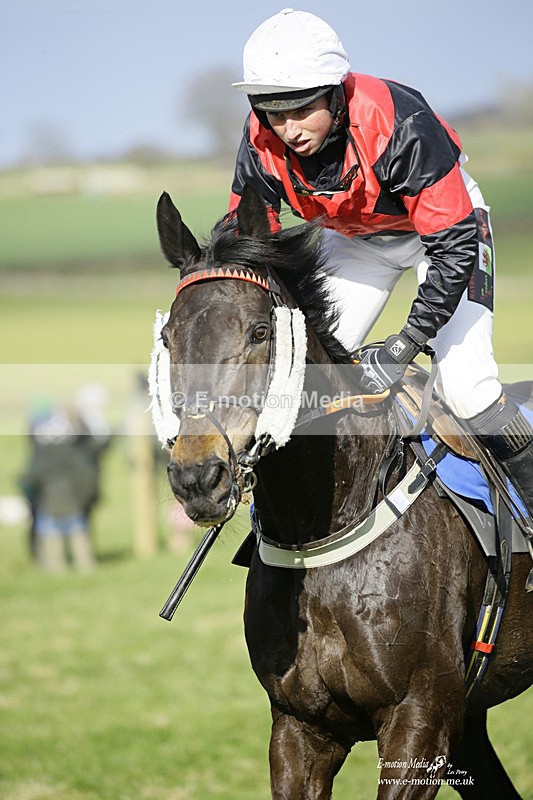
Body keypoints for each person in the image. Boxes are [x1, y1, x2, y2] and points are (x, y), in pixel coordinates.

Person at [229, 8, 533, 525]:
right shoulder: (262, 140)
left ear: (336, 92)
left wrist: (406, 342)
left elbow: (454, 249)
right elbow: (252, 243)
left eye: (301, 110)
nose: (287, 129)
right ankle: (282, 526)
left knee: (468, 388)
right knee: (299, 378)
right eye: (272, 113)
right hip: (358, 240)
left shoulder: (400, 121)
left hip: (445, 234)